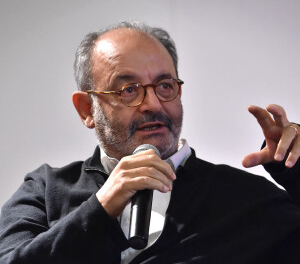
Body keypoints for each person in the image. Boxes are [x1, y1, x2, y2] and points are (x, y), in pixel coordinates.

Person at [0, 21, 300, 264]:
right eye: (129, 90)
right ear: (86, 109)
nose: (153, 103)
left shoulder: (245, 199)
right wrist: (100, 209)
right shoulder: (45, 189)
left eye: (165, 85)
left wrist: (297, 170)